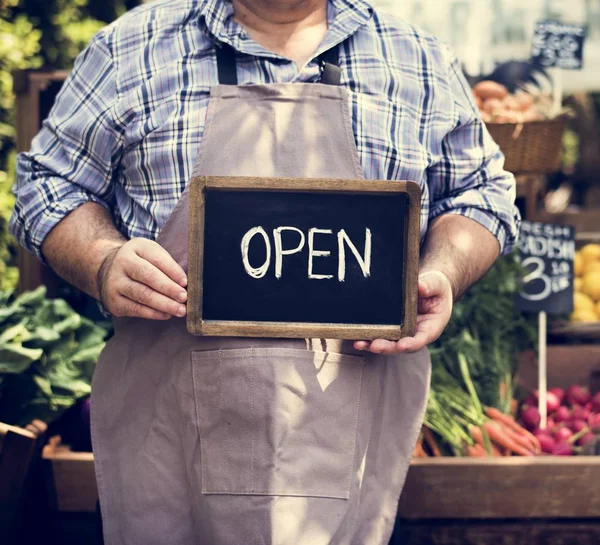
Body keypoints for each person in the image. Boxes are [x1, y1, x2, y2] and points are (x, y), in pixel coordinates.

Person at [10, 0, 520, 543]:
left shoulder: (416, 58)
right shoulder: (129, 49)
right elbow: (47, 185)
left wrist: (443, 269)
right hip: (168, 453)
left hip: (350, 470)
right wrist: (102, 259)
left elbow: (481, 193)